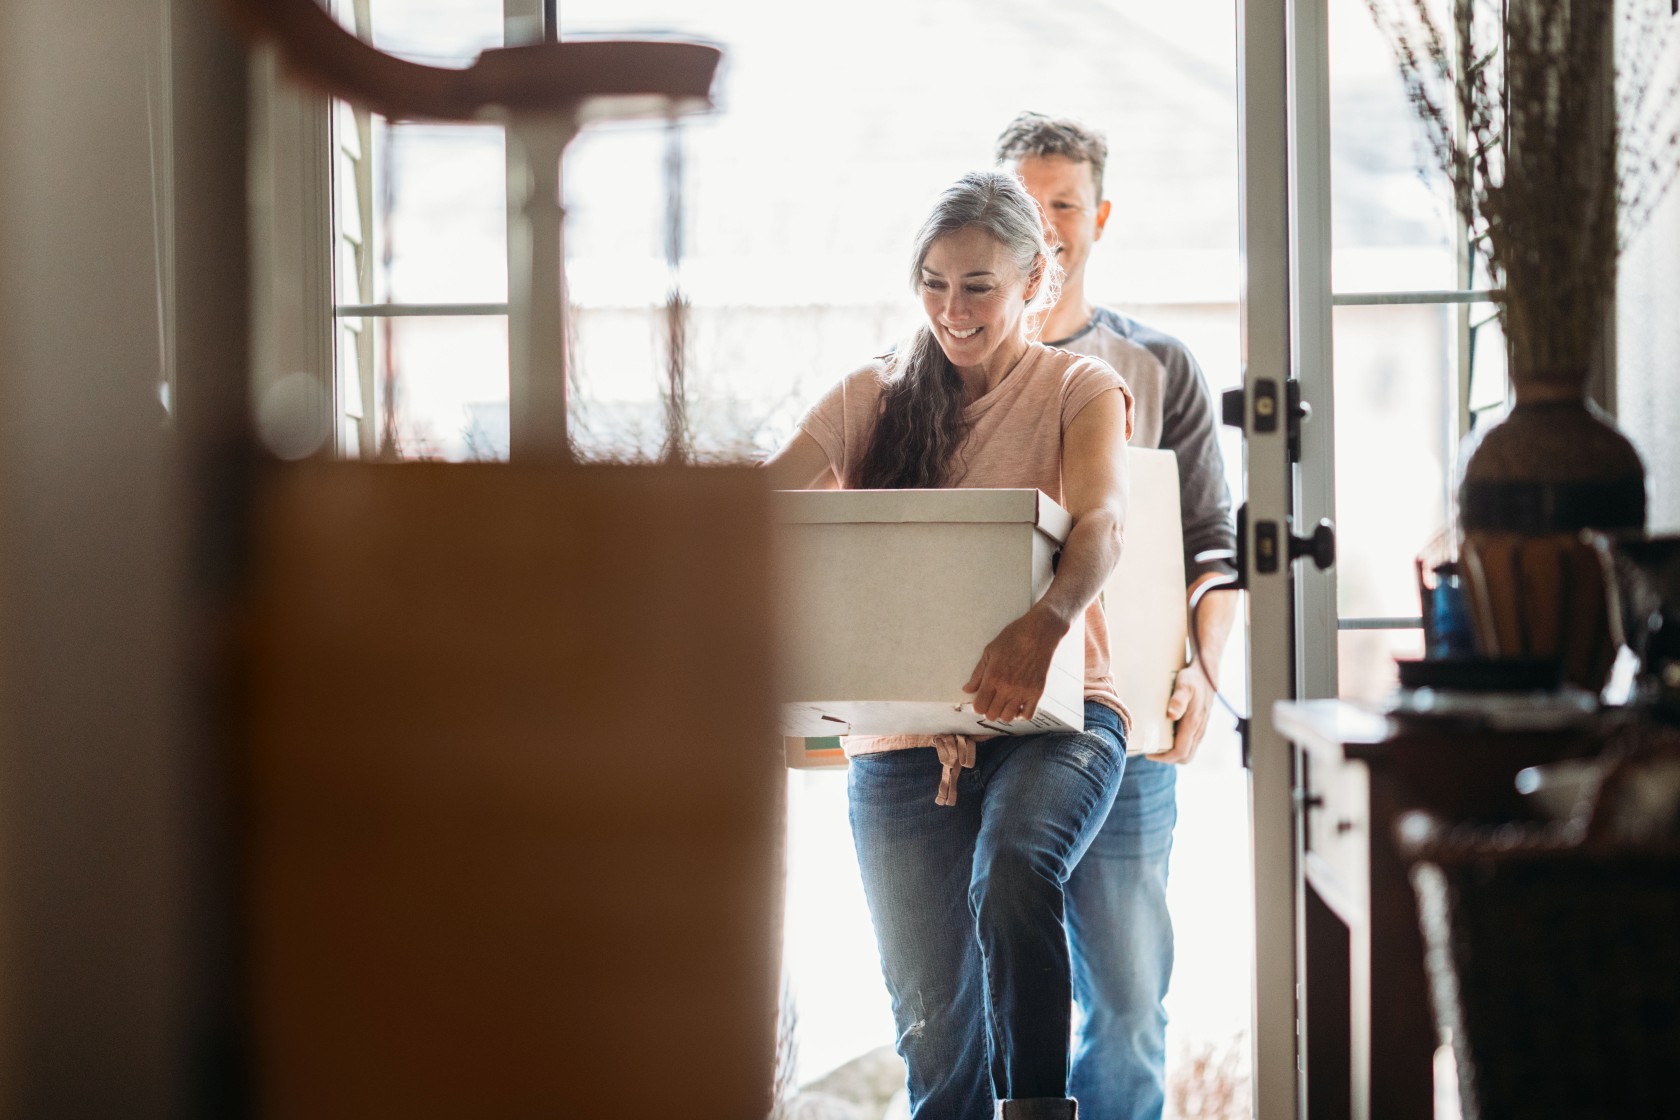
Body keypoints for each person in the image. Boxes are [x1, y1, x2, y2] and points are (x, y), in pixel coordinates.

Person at [765, 170, 1146, 1120]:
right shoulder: (871, 396)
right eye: (934, 282)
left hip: (1059, 718)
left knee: (1015, 866)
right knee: (933, 1035)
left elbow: (1103, 523)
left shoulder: (1078, 386)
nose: (953, 307)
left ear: (1034, 281)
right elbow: (755, 516)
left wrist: (1042, 624)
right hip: (899, 745)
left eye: (978, 284)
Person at [994, 112, 1240, 1120]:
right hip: (992, 732)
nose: (1046, 225)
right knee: (995, 1002)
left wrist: (1200, 676)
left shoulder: (1160, 367)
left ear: (1099, 216)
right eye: (1026, 202)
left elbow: (1213, 549)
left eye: (1064, 203)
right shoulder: (954, 366)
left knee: (1130, 1005)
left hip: (1130, 733)